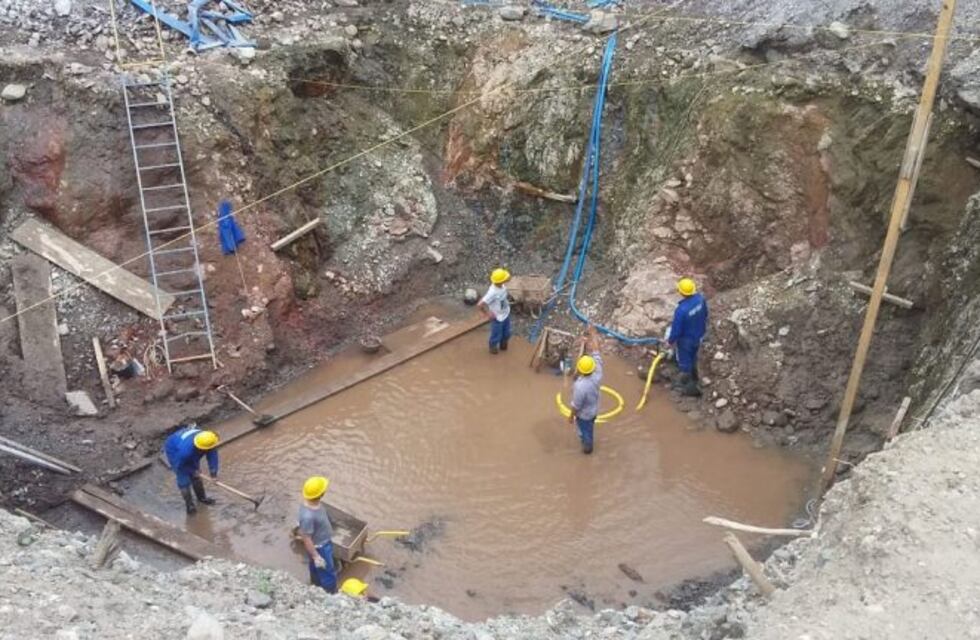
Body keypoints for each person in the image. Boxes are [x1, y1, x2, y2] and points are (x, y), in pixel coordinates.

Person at [163, 424, 219, 514]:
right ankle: (190, 505)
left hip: (188, 444)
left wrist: (213, 474)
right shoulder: (185, 452)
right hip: (174, 448)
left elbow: (213, 457)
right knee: (183, 479)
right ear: (199, 447)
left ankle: (201, 498)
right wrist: (192, 471)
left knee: (196, 477)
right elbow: (179, 465)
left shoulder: (208, 440)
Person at [666, 277, 708, 397]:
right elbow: (705, 314)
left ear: (681, 292)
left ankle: (689, 387)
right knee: (695, 356)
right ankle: (696, 376)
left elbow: (676, 331)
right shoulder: (700, 299)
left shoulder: (681, 310)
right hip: (699, 334)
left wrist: (670, 342)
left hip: (685, 341)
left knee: (685, 362)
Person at [298, 476, 338, 593]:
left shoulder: (314, 504)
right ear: (321, 494)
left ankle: (315, 585)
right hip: (320, 547)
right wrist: (317, 556)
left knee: (316, 568)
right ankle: (331, 592)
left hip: (322, 543)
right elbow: (306, 538)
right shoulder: (308, 516)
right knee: (328, 571)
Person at [568, 324, 603, 454]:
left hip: (584, 415)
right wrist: (592, 334)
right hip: (594, 410)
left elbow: (576, 405)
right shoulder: (597, 373)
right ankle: (587, 441)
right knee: (590, 427)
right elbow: (596, 351)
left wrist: (571, 417)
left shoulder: (580, 386)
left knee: (585, 432)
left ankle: (587, 447)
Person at [477, 268, 512, 354]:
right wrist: (488, 314)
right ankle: (493, 347)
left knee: (506, 333)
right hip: (497, 317)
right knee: (496, 335)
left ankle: (503, 344)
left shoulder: (502, 286)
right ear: (499, 281)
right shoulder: (492, 292)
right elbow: (480, 304)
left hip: (505, 313)